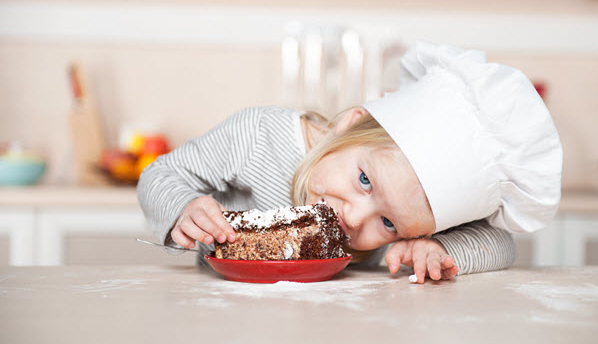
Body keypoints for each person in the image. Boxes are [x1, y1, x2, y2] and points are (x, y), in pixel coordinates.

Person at [137, 42, 562, 283]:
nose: (356, 219)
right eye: (363, 180)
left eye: (390, 224)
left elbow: (501, 244)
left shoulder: (409, 231)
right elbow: (161, 174)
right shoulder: (258, 135)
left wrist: (437, 248)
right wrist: (182, 208)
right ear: (347, 124)